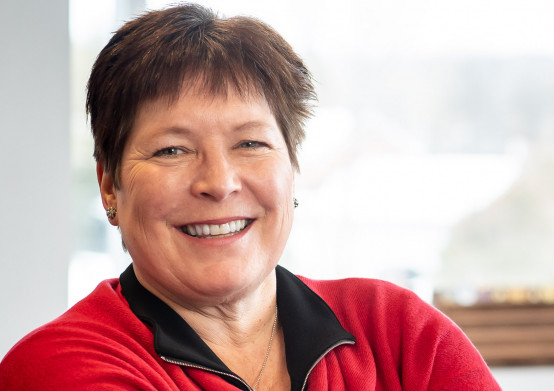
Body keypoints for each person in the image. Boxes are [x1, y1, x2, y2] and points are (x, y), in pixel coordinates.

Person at [0, 4, 500, 390]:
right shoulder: (60, 367)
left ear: (292, 167)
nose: (219, 182)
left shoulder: (398, 332)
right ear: (110, 184)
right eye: (172, 149)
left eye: (251, 144)